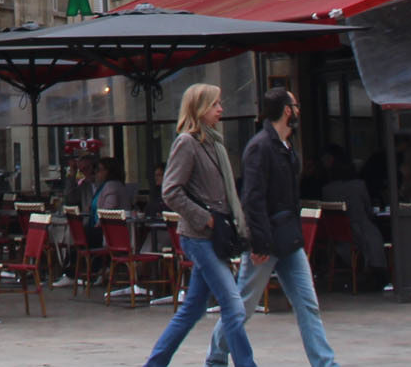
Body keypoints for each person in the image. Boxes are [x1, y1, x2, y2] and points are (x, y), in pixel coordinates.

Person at [205, 89, 339, 367]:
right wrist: (257, 242)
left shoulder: (286, 146)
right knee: (243, 306)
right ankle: (216, 357)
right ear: (287, 110)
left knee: (307, 304)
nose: (299, 111)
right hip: (266, 241)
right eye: (296, 106)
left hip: (289, 239)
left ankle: (325, 363)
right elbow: (252, 198)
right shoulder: (261, 147)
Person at [141, 83, 255, 367]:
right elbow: (170, 191)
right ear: (200, 108)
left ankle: (154, 364)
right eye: (215, 104)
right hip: (199, 237)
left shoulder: (214, 144)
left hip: (215, 237)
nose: (221, 109)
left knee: (192, 310)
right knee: (233, 305)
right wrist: (206, 218)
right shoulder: (187, 143)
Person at [318, 148, 387, 288]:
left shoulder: (327, 190)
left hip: (338, 234)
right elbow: (368, 208)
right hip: (361, 229)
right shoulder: (359, 186)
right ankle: (378, 272)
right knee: (376, 238)